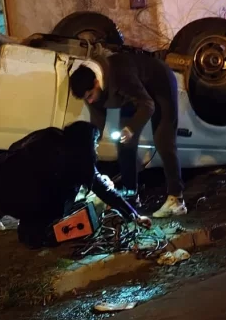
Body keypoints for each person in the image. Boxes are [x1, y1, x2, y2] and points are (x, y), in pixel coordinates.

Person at [0, 121, 151, 249]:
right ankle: (35, 234)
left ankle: (30, 229)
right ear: (85, 143)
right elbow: (104, 190)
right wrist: (134, 215)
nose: (96, 146)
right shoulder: (77, 160)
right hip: (25, 201)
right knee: (66, 194)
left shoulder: (49, 135)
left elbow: (14, 150)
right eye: (95, 143)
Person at [69, 55, 186, 218]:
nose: (89, 100)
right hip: (131, 94)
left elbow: (147, 104)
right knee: (124, 143)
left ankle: (176, 199)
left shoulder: (120, 76)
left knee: (163, 139)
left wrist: (131, 128)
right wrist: (88, 154)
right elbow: (96, 124)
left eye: (90, 96)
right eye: (85, 98)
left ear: (96, 83)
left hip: (159, 84)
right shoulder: (90, 88)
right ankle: (131, 195)